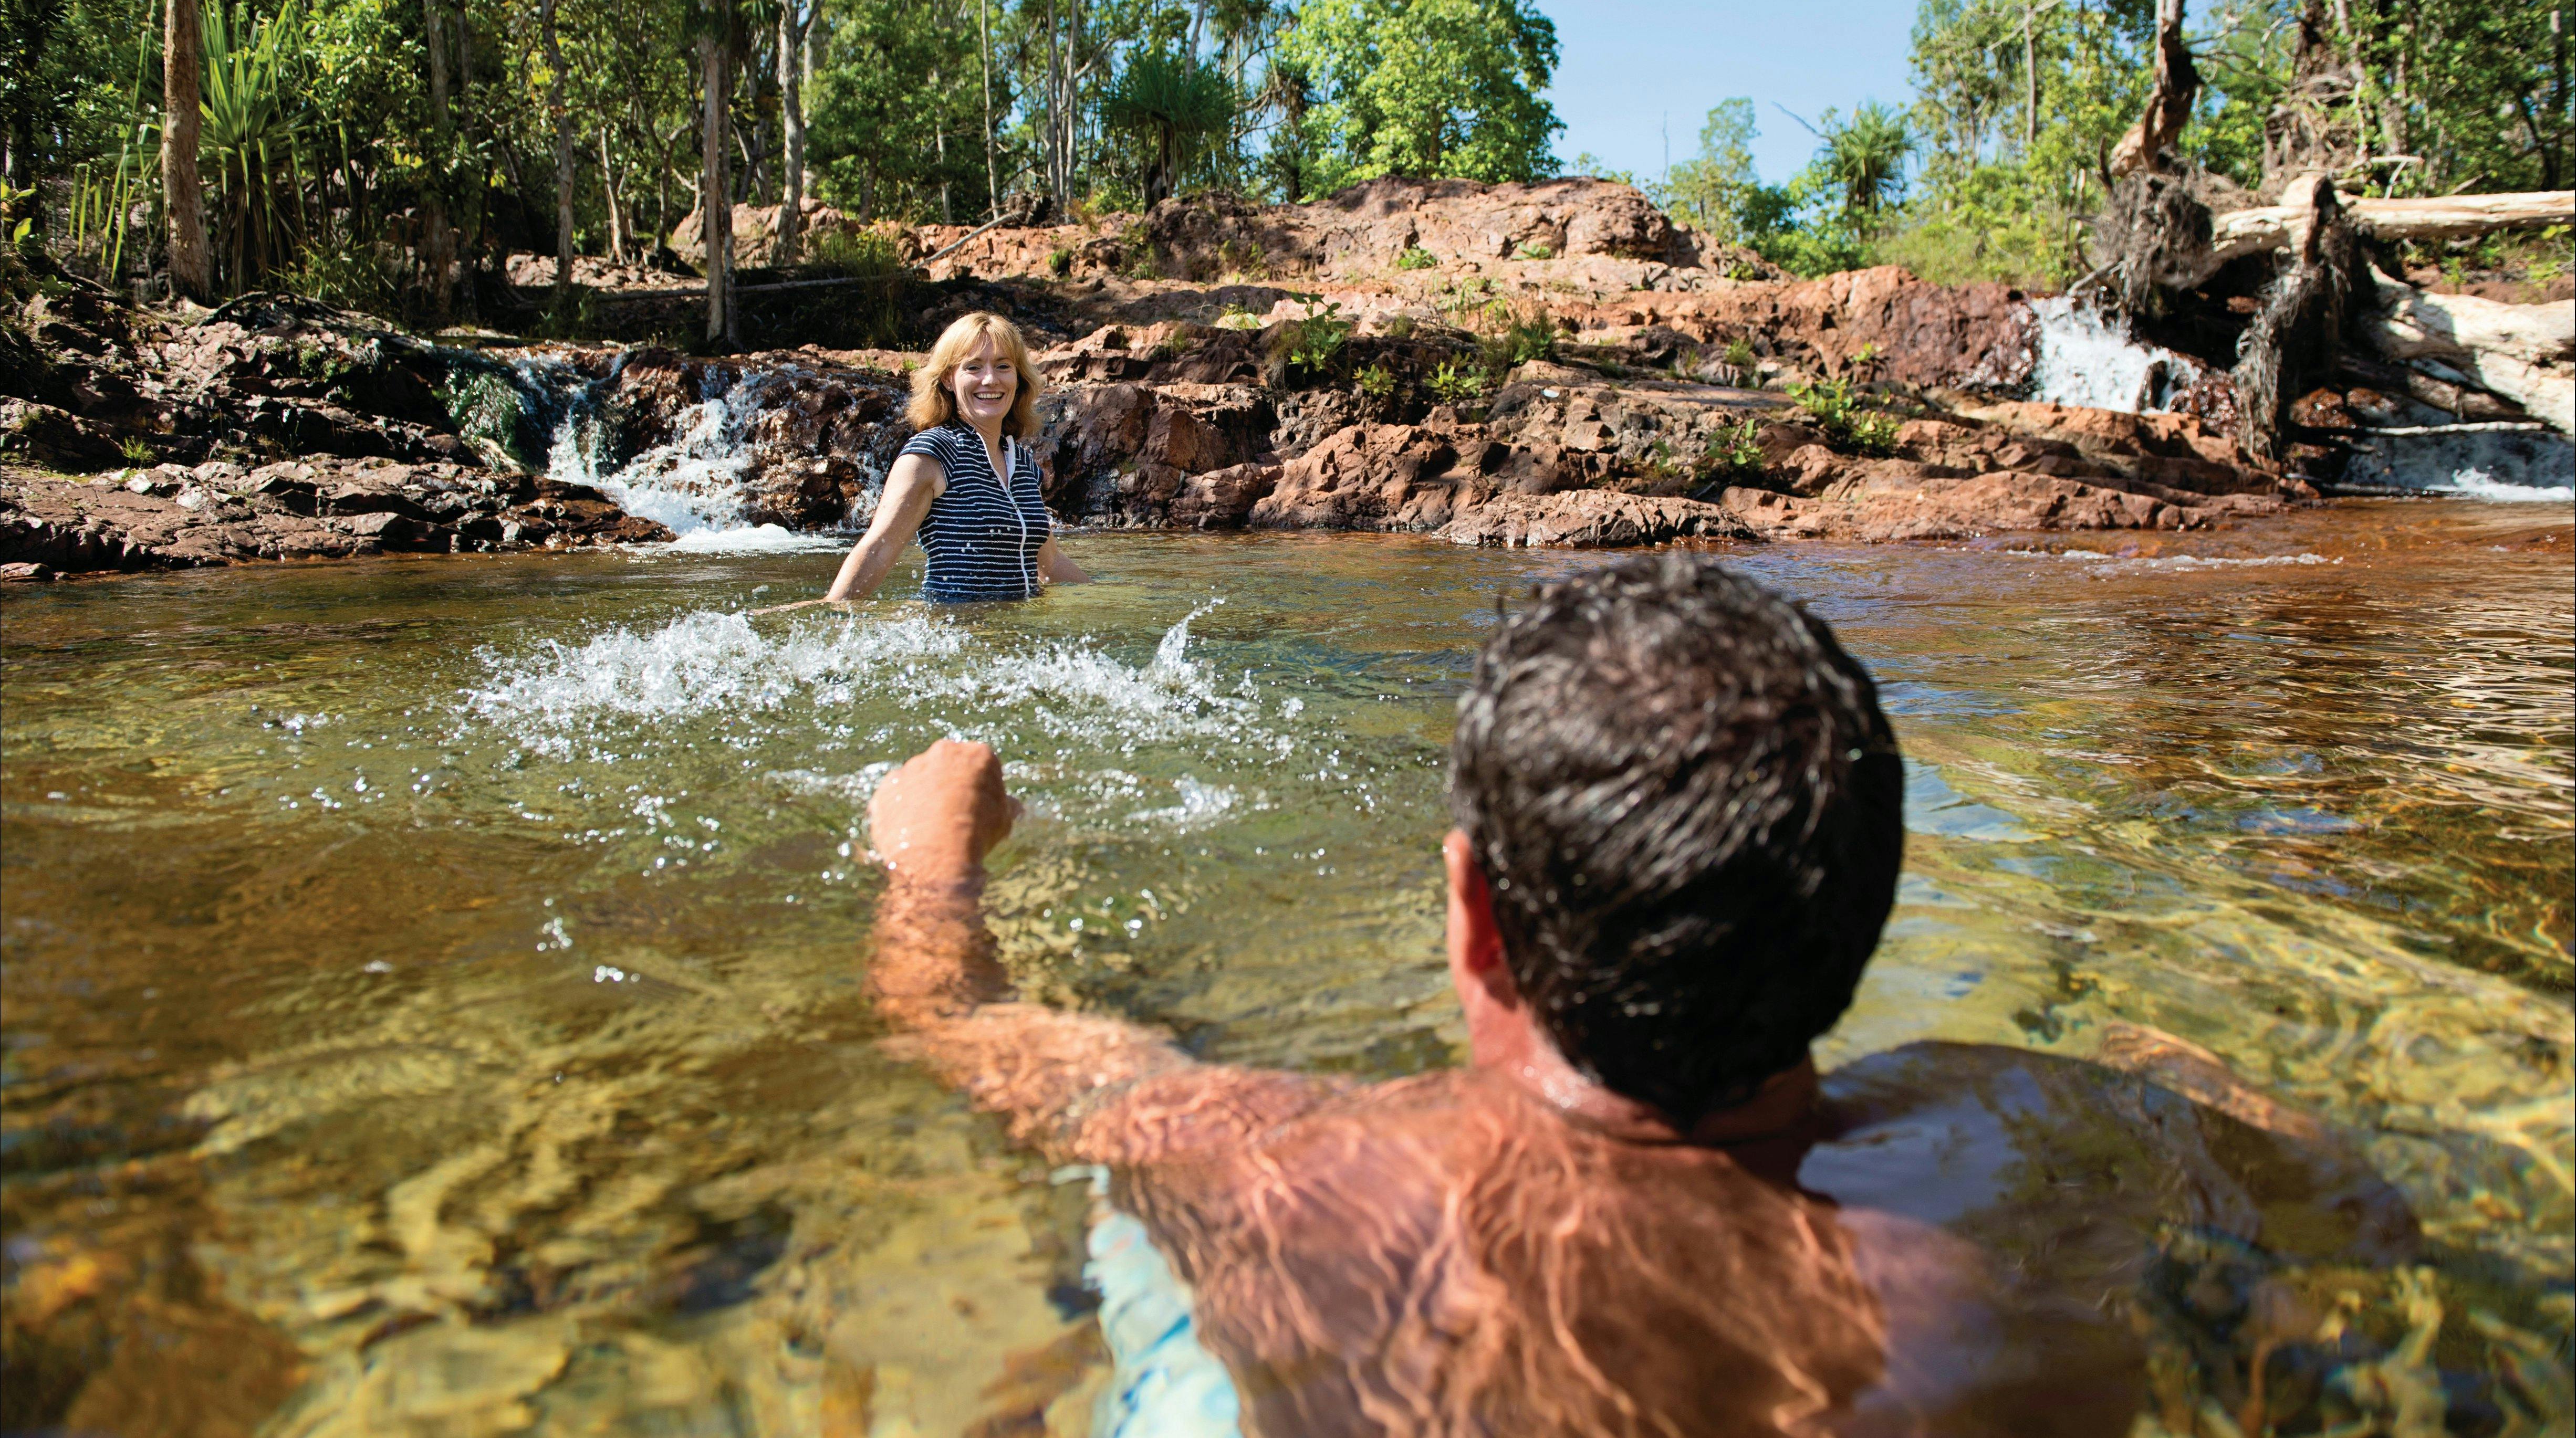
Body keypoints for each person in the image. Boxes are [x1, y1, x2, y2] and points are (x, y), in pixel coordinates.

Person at [864, 555, 2418, 1436]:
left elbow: (956, 1016)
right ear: (1863, 904)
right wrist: (2174, 1070)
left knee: (1135, 1266)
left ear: (1477, 917)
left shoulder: (1279, 1159)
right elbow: (2363, 1212)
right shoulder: (2035, 1134)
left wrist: (929, 856)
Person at [810, 310, 1090, 606]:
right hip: (953, 635)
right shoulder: (931, 453)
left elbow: (1049, 563)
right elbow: (880, 548)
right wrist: (831, 610)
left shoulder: (1021, 462)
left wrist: (1119, 597)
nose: (990, 379)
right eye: (973, 367)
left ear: (1019, 377)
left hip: (1016, 637)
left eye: (1003, 366)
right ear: (947, 378)